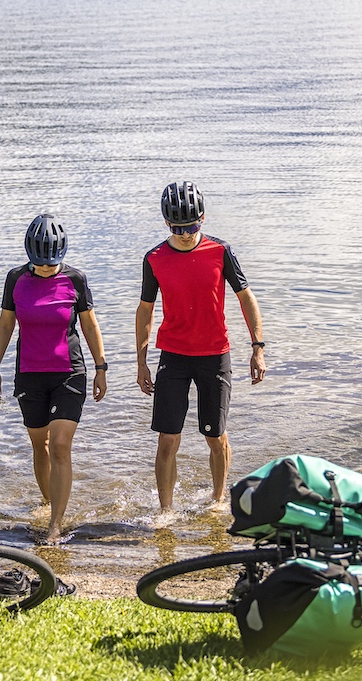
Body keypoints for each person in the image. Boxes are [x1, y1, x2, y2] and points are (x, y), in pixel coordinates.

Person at [135, 181, 265, 512]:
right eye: (178, 227)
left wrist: (257, 347)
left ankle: (218, 501)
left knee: (215, 436)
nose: (185, 233)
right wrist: (141, 362)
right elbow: (145, 311)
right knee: (167, 440)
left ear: (202, 218)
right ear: (166, 222)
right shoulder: (154, 259)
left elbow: (246, 298)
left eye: (191, 226)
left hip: (214, 355)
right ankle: (166, 512)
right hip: (174, 356)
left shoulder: (220, 251)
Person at [0, 213, 107, 545]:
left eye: (51, 263)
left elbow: (89, 326)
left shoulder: (76, 280)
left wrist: (101, 367)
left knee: (59, 446)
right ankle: (48, 501)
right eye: (39, 263)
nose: (45, 268)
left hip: (69, 374)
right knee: (39, 446)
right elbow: (6, 325)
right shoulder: (15, 279)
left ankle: (55, 523)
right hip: (29, 376)